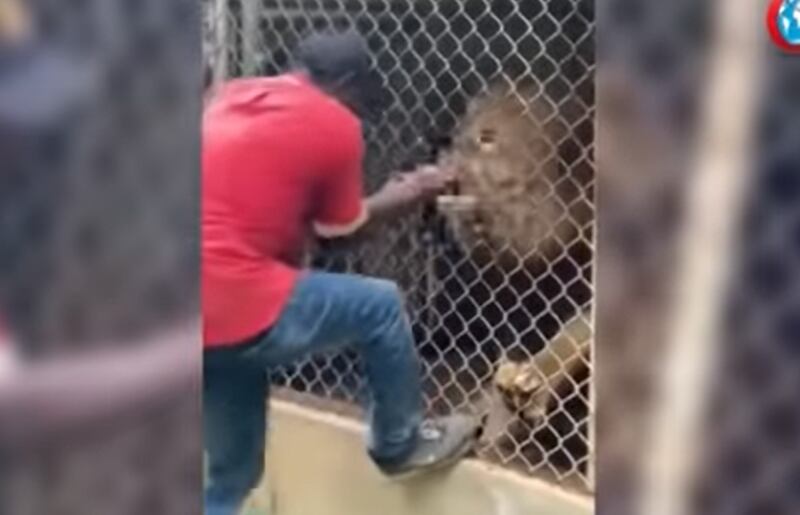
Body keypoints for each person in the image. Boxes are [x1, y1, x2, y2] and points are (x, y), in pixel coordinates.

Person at [203, 31, 478, 515]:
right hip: (240, 299)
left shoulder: (232, 96)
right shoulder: (334, 122)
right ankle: (401, 444)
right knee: (380, 304)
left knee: (233, 476)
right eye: (361, 94)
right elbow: (339, 235)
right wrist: (412, 191)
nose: (361, 109)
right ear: (348, 83)